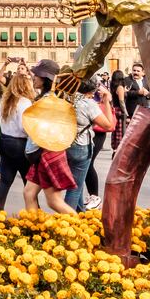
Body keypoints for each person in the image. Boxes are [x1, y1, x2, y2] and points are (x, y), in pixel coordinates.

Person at [22, 60, 75, 214]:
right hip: (43, 152)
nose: (33, 77)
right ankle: (32, 226)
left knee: (54, 201)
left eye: (37, 75)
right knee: (29, 193)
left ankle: (81, 226)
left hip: (48, 151)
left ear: (45, 79)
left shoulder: (50, 100)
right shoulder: (48, 98)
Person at [65, 76, 114, 212]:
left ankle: (79, 212)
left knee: (77, 183)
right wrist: (106, 102)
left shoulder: (68, 98)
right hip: (81, 145)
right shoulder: (88, 104)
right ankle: (66, 218)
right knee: (74, 188)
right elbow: (109, 125)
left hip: (67, 144)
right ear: (93, 89)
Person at [0, 73, 35, 213]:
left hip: (4, 140)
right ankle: (33, 213)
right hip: (19, 143)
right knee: (28, 182)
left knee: (5, 180)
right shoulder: (25, 102)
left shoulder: (6, 100)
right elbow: (24, 127)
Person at [83, 79, 116, 210]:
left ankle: (94, 196)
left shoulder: (97, 84)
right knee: (86, 164)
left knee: (88, 163)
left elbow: (108, 97)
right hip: (89, 131)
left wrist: (104, 100)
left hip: (98, 132)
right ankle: (91, 196)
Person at [108, 70, 129, 152]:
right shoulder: (120, 87)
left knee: (116, 130)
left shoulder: (113, 86)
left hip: (115, 109)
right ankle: (119, 148)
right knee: (121, 130)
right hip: (120, 110)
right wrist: (126, 112)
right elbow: (121, 101)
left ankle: (115, 147)